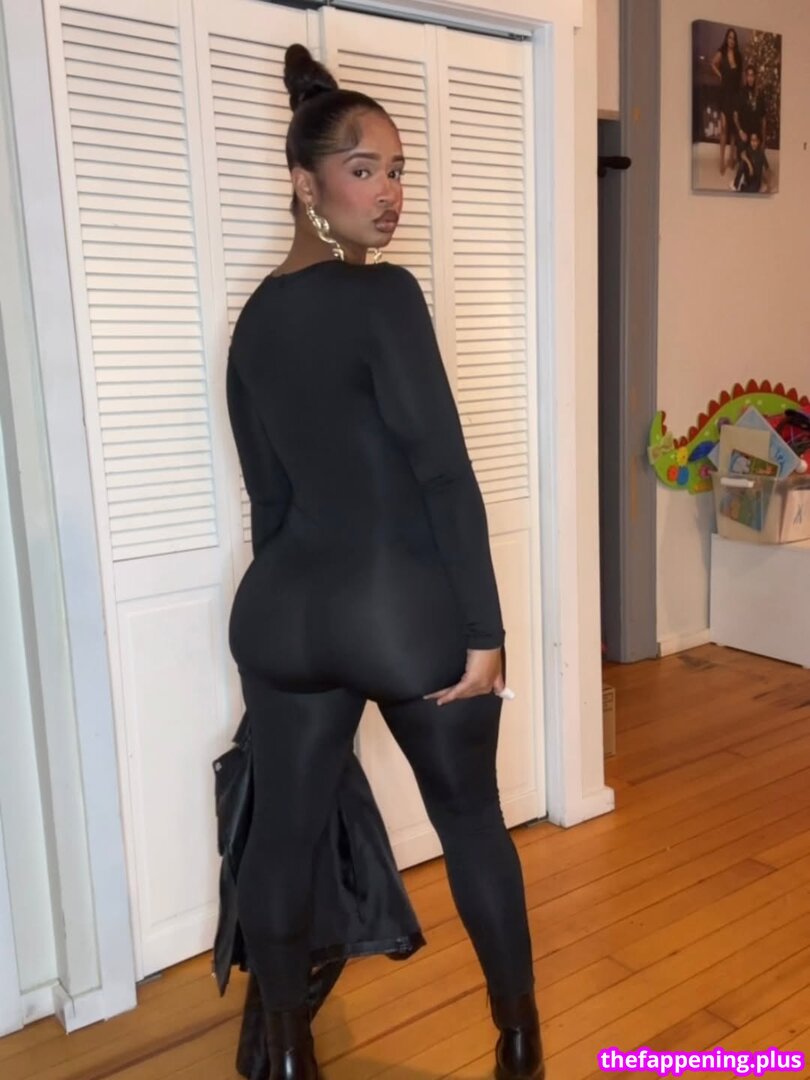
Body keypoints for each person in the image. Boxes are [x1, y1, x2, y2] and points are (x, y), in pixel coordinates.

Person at [223, 42, 544, 1080]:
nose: (390, 193)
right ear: (305, 181)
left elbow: (270, 501)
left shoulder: (252, 323)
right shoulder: (386, 297)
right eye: (365, 169)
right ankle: (521, 1049)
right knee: (473, 825)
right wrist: (485, 633)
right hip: (399, 612)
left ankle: (285, 1056)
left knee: (283, 839)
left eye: (398, 170)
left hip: (283, 615)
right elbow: (444, 474)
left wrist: (297, 619)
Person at [711, 27, 742, 174]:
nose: (731, 40)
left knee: (734, 129)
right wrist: (721, 75)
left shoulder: (738, 56)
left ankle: (731, 159)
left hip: (735, 95)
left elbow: (740, 78)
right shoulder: (721, 52)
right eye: (730, 37)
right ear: (726, 39)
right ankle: (721, 161)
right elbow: (712, 63)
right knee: (724, 128)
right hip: (724, 95)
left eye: (734, 38)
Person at [733, 64, 768, 162]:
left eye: (752, 75)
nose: (750, 78)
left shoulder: (759, 94)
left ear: (755, 77)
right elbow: (735, 116)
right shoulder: (741, 93)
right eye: (748, 75)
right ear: (745, 77)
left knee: (756, 165)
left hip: (756, 134)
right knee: (744, 164)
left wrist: (764, 140)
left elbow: (763, 119)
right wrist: (740, 131)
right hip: (744, 133)